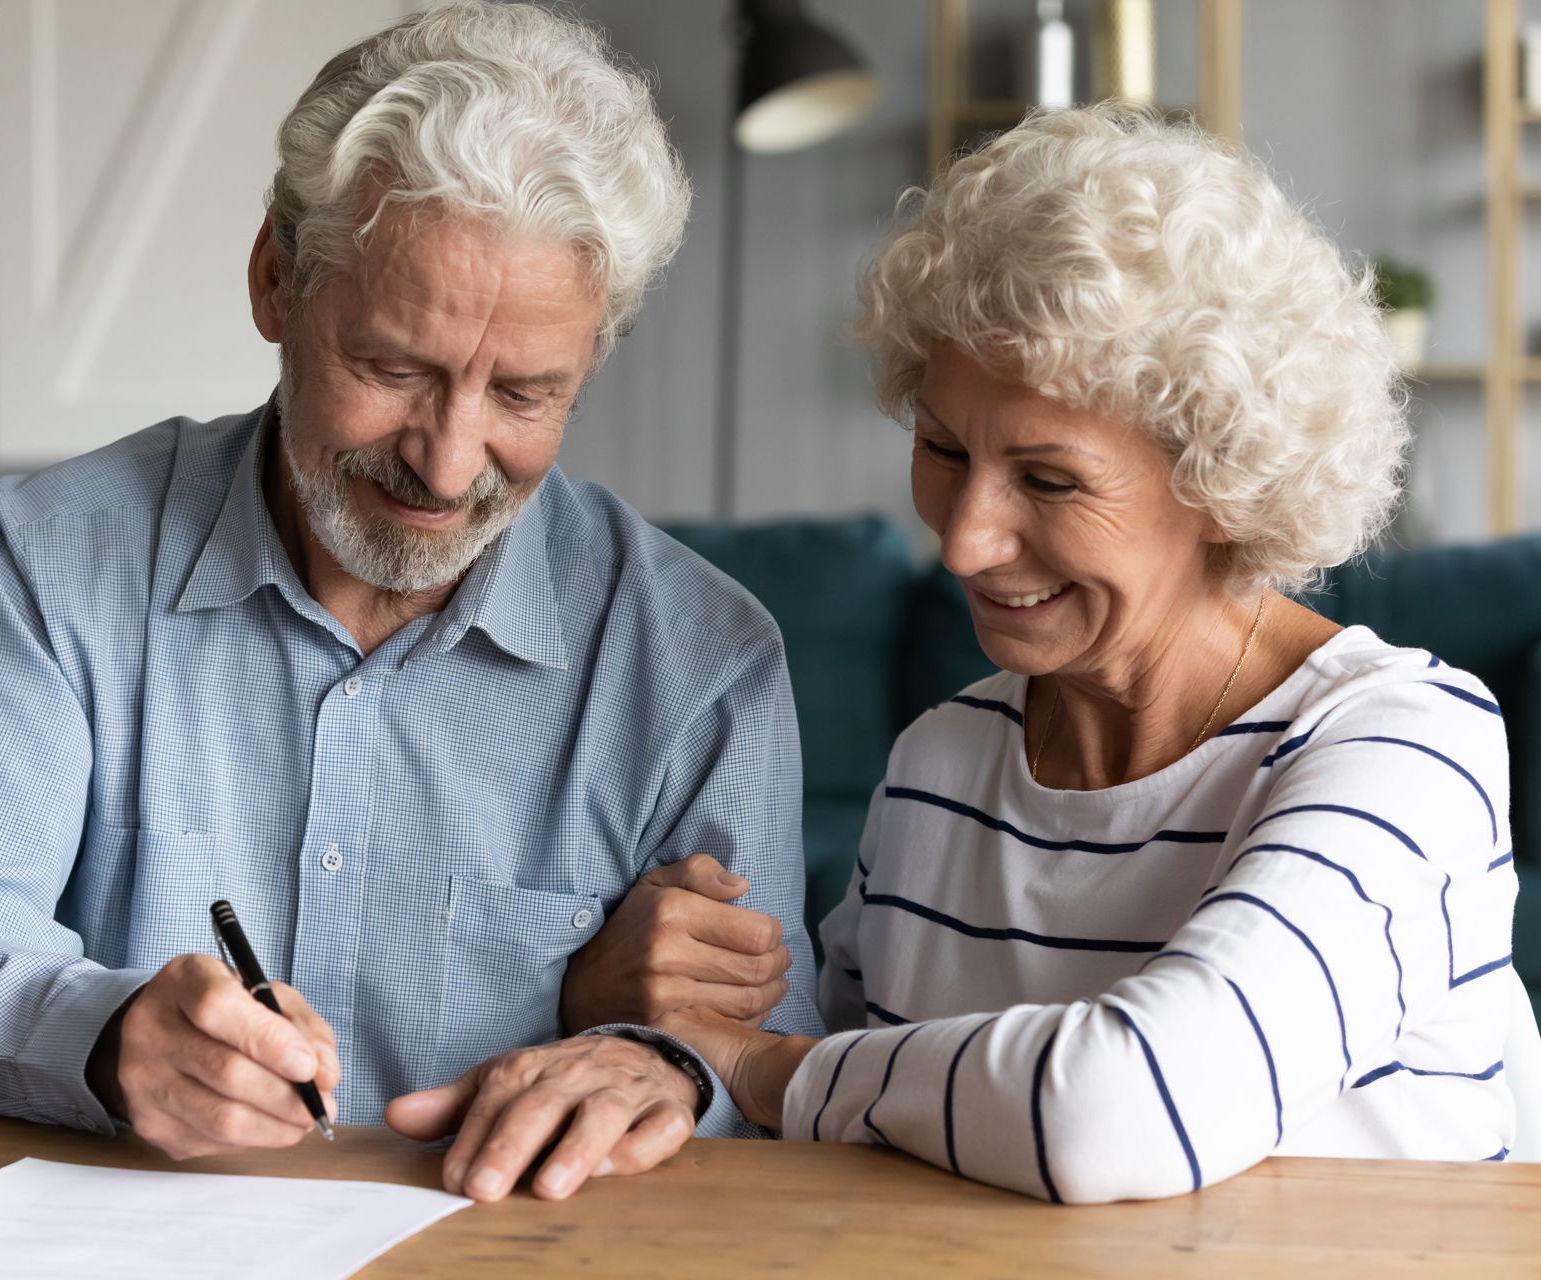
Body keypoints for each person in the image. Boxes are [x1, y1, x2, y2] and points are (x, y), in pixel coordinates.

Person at [0, 2, 817, 1204]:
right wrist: (101, 1033)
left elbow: (771, 1078)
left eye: (522, 392)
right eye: (393, 369)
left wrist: (653, 1055)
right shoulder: (55, 561)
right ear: (274, 282)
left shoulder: (703, 662)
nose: (449, 464)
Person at [646, 104, 1519, 1201]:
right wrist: (668, 1005)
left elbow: (1133, 1106)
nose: (964, 537)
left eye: (1050, 480)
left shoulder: (1406, 748)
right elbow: (857, 1127)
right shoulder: (940, 764)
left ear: (1222, 479)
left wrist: (768, 1067)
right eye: (942, 448)